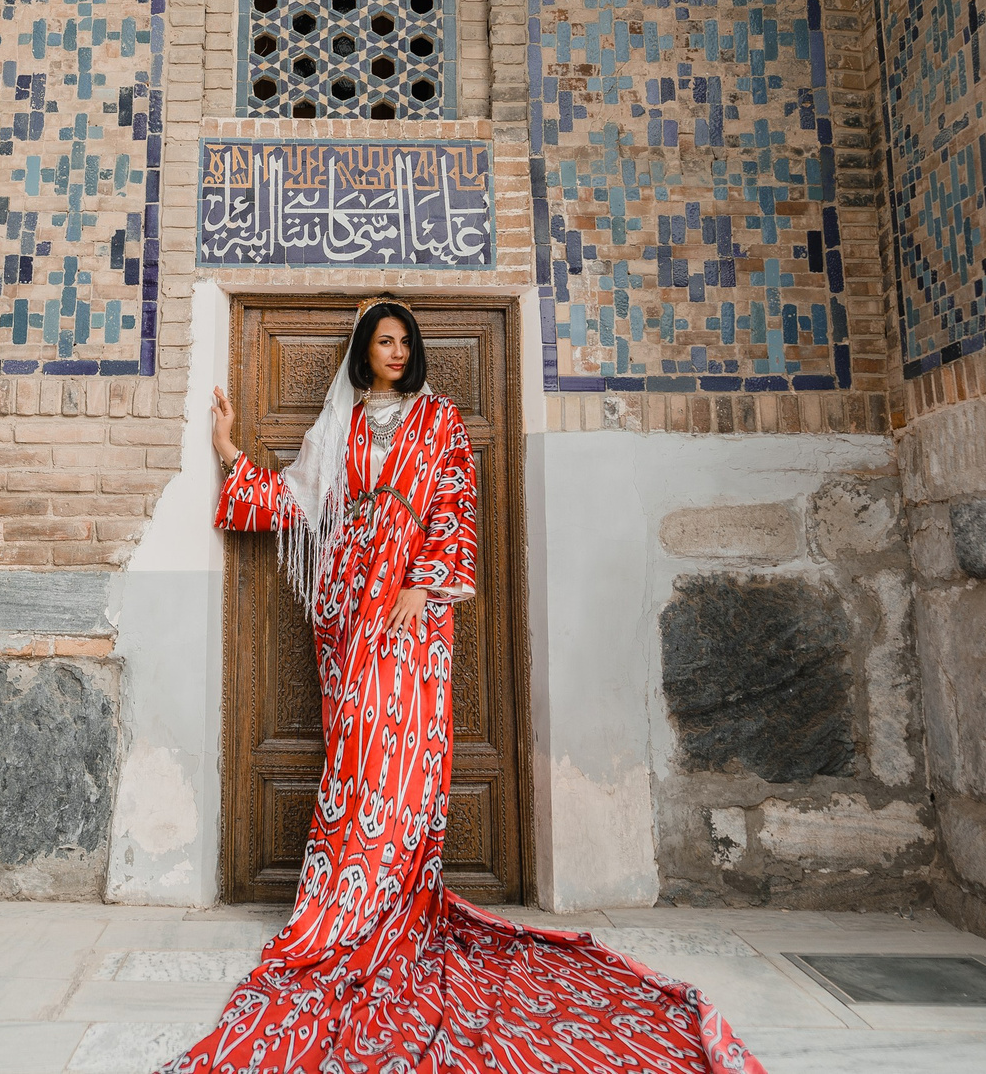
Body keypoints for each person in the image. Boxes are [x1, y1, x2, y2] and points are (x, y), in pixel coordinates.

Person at [166, 300, 758, 1074]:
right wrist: (229, 449)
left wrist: (426, 582)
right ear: (364, 350)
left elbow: (454, 507)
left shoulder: (440, 420)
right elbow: (299, 502)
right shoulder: (339, 423)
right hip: (347, 608)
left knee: (401, 763)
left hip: (414, 610)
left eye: (405, 342)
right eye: (384, 341)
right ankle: (345, 905)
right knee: (356, 758)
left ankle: (388, 902)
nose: (397, 351)